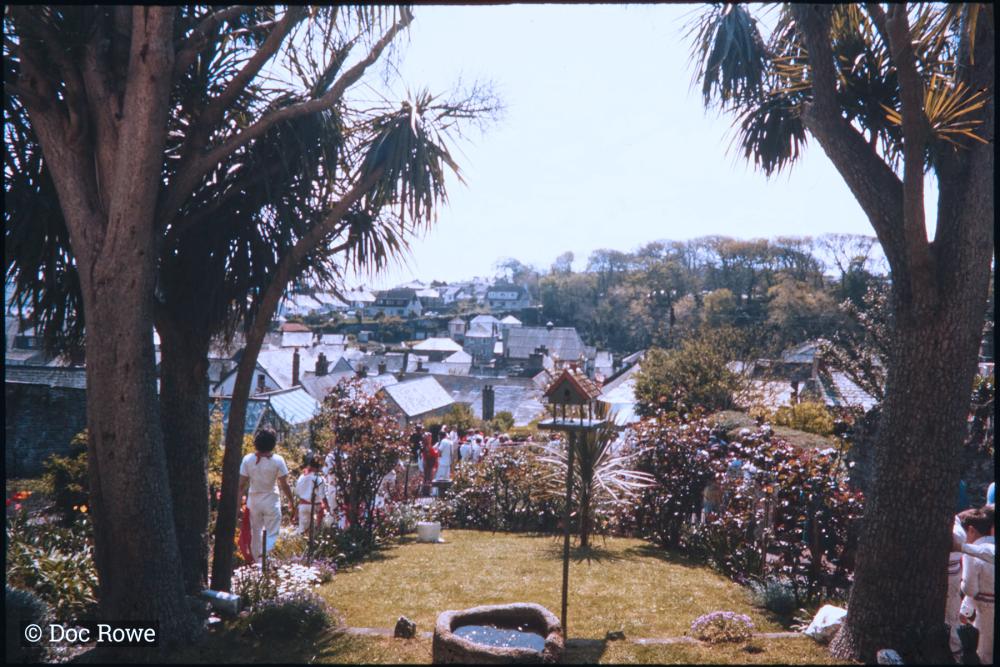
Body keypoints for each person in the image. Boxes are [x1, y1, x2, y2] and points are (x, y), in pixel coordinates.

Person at [238, 428, 294, 562]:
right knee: (272, 532)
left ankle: (258, 563)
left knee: (255, 533)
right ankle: (266, 560)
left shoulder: (248, 459)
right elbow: (284, 484)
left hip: (254, 501)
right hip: (271, 500)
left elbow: (240, 486)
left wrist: (238, 505)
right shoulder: (278, 460)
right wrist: (292, 500)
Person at [958, 506, 994, 665]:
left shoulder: (972, 552)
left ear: (971, 530)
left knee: (985, 654)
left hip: (985, 610)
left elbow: (970, 589)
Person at [293, 453, 328, 535]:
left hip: (303, 506)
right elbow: (322, 496)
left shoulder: (302, 477)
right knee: (315, 533)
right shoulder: (319, 478)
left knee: (303, 531)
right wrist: (328, 507)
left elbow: (297, 492)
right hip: (315, 507)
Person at [433, 429, 455, 495]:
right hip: (448, 463)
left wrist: (438, 455)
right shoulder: (450, 442)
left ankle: (436, 493)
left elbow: (439, 451)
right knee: (446, 479)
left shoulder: (443, 441)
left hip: (442, 462)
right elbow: (452, 453)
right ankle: (446, 493)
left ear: (440, 436)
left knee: (439, 478)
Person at [418, 431, 439, 497]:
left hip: (429, 463)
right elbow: (429, 455)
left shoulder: (427, 446)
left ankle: (426, 491)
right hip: (428, 463)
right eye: (429, 437)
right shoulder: (426, 446)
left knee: (428, 477)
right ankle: (426, 492)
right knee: (428, 477)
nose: (430, 438)